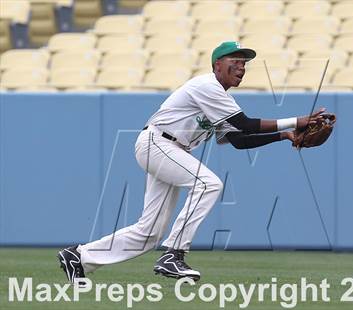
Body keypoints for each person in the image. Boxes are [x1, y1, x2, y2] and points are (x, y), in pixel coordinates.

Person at [58, 41, 327, 283]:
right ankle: (173, 254)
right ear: (217, 65)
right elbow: (244, 123)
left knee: (149, 231)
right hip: (158, 143)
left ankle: (79, 257)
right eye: (235, 61)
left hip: (168, 149)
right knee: (209, 184)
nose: (242, 67)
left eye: (244, 63)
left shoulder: (221, 98)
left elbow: (239, 139)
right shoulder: (206, 85)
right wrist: (297, 120)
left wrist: (285, 136)